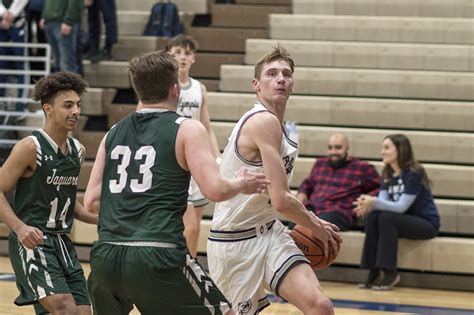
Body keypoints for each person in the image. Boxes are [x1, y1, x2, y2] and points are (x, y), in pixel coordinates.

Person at [83, 50, 268, 315]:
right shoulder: (187, 129)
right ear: (175, 90)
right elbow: (215, 189)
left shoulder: (113, 133)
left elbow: (90, 203)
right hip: (159, 253)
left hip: (107, 256)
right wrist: (241, 183)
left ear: (137, 91)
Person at [206, 46, 342, 315]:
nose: (280, 78)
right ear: (256, 85)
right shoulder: (262, 121)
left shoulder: (284, 128)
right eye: (272, 73)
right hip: (234, 242)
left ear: (292, 85)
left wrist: (308, 218)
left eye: (286, 74)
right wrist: (316, 226)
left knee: (320, 306)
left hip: (269, 231)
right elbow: (280, 200)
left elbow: (277, 197)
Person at [0, 71, 98, 314]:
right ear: (48, 109)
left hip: (63, 242)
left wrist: (99, 219)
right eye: (68, 105)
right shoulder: (30, 147)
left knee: (84, 312)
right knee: (66, 309)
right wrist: (19, 227)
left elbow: (66, 200)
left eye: (78, 105)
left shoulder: (78, 150)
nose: (76, 111)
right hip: (34, 242)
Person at [354, 134, 440, 290]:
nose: (382, 152)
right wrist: (367, 206)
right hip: (401, 221)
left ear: (400, 150)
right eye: (382, 148)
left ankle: (390, 273)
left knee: (386, 217)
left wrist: (373, 202)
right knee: (374, 216)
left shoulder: (415, 172)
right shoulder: (388, 173)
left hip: (425, 223)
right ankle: (373, 271)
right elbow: (382, 203)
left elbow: (401, 207)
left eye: (387, 148)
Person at [166, 34, 221, 257]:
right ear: (168, 55)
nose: (182, 57)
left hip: (198, 160)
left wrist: (217, 158)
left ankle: (191, 265)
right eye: (177, 52)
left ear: (194, 58)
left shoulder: (200, 88)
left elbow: (206, 126)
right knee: (189, 226)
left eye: (187, 53)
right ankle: (186, 273)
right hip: (175, 160)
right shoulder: (162, 87)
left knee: (195, 227)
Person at [296, 133, 380, 230]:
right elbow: (307, 183)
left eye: (338, 147)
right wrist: (302, 193)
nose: (333, 152)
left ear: (347, 148)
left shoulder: (362, 168)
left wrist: (367, 199)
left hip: (338, 212)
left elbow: (380, 188)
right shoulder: (320, 164)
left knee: (317, 227)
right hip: (313, 208)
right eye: (330, 148)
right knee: (294, 221)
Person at [41, 0, 83, 73]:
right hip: (50, 22)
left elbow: (75, 2)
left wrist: (69, 21)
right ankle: (60, 84)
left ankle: (71, 84)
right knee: (57, 64)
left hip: (63, 23)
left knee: (67, 64)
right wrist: (45, 15)